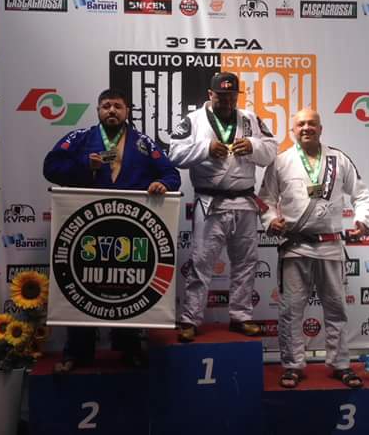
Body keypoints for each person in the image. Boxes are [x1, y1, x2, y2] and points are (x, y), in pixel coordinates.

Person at [43, 88, 181, 372]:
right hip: (88, 228)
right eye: (106, 106)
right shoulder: (80, 138)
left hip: (129, 229)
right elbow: (51, 166)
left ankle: (129, 348)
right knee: (84, 286)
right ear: (98, 110)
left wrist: (163, 185)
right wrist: (85, 165)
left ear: (127, 110)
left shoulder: (143, 143)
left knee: (127, 289)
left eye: (117, 106)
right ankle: (77, 351)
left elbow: (171, 174)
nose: (112, 111)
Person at [259, 108, 369, 389]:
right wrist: (271, 220)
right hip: (295, 247)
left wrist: (362, 219)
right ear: (292, 131)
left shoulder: (338, 159)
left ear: (321, 128)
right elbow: (266, 199)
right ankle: (293, 365)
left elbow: (361, 194)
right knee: (291, 311)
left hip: (330, 246)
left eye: (312, 123)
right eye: (300, 124)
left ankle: (340, 363)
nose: (306, 128)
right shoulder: (281, 162)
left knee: (336, 309)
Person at [169, 72, 278, 342]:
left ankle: (240, 316)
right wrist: (205, 148)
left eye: (231, 96)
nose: (227, 100)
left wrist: (252, 146)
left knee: (246, 263)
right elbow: (175, 153)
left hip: (244, 201)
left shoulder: (250, 119)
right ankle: (190, 318)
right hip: (210, 202)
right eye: (221, 96)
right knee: (201, 262)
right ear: (210, 95)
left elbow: (271, 151)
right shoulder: (193, 120)